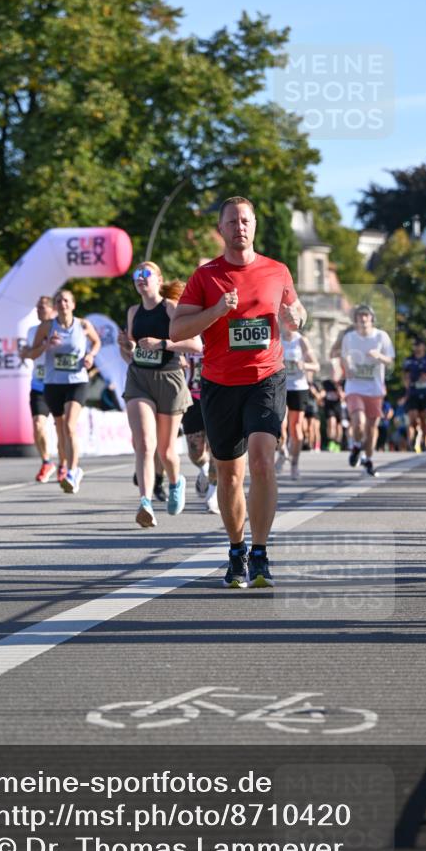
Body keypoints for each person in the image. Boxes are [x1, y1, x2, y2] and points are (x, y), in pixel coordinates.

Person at [171, 196, 306, 589]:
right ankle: (236, 550)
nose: (239, 228)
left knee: (262, 460)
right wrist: (215, 311)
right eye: (231, 222)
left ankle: (260, 552)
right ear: (221, 229)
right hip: (220, 383)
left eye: (245, 220)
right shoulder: (205, 276)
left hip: (266, 377)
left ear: (255, 225)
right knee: (230, 474)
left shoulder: (277, 270)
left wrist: (295, 317)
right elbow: (176, 330)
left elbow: (297, 312)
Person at [119, 262, 200, 528]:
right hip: (139, 378)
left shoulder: (170, 308)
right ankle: (145, 502)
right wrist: (126, 346)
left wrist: (162, 344)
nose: (140, 278)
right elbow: (131, 353)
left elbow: (196, 345)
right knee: (144, 443)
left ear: (159, 279)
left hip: (169, 378)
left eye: (146, 274)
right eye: (137, 275)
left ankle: (176, 481)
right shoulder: (133, 312)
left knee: (166, 452)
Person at [26, 289, 100, 494]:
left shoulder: (83, 325)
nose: (62, 304)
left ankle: (73, 471)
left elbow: (96, 342)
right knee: (60, 429)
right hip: (53, 383)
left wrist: (91, 356)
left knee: (69, 425)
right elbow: (32, 354)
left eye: (66, 300)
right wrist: (46, 345)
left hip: (77, 382)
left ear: (73, 304)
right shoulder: (47, 327)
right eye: (59, 301)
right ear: (55, 306)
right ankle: (62, 464)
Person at [341, 304, 394, 477]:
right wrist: (347, 368)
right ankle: (357, 446)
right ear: (355, 320)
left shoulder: (381, 336)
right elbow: (344, 357)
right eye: (360, 316)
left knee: (371, 430)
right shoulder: (349, 337)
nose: (363, 319)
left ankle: (368, 459)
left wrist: (379, 356)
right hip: (355, 387)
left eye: (366, 315)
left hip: (375, 389)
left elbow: (390, 360)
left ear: (372, 318)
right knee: (358, 422)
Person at [19, 295, 61, 483]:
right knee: (37, 424)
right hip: (39, 384)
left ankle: (65, 464)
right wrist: (41, 347)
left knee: (61, 427)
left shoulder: (62, 329)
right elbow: (28, 354)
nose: (38, 310)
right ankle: (46, 462)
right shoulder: (31, 331)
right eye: (37, 307)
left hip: (60, 383)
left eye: (42, 307)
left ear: (53, 310)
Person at [278, 326, 319, 479]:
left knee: (296, 428)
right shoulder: (276, 338)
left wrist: (304, 365)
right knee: (279, 424)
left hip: (298, 388)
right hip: (280, 386)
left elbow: (316, 366)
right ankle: (282, 451)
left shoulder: (301, 341)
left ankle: (294, 464)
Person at [182, 351, 219, 513]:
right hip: (192, 398)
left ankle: (212, 494)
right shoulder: (187, 337)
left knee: (216, 450)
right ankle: (204, 469)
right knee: (195, 453)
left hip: (217, 396)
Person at [403, 338, 426, 452]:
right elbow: (405, 376)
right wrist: (407, 386)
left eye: (419, 345)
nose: (417, 348)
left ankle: (425, 442)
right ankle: (413, 437)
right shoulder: (409, 360)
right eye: (415, 345)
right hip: (413, 393)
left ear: (424, 346)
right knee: (413, 417)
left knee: (425, 419)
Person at [322, 373, 344, 451]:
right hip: (329, 406)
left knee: (338, 426)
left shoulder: (342, 383)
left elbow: (343, 397)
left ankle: (338, 443)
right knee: (331, 423)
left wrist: (338, 388)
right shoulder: (326, 383)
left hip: (338, 406)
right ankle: (331, 442)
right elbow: (322, 393)